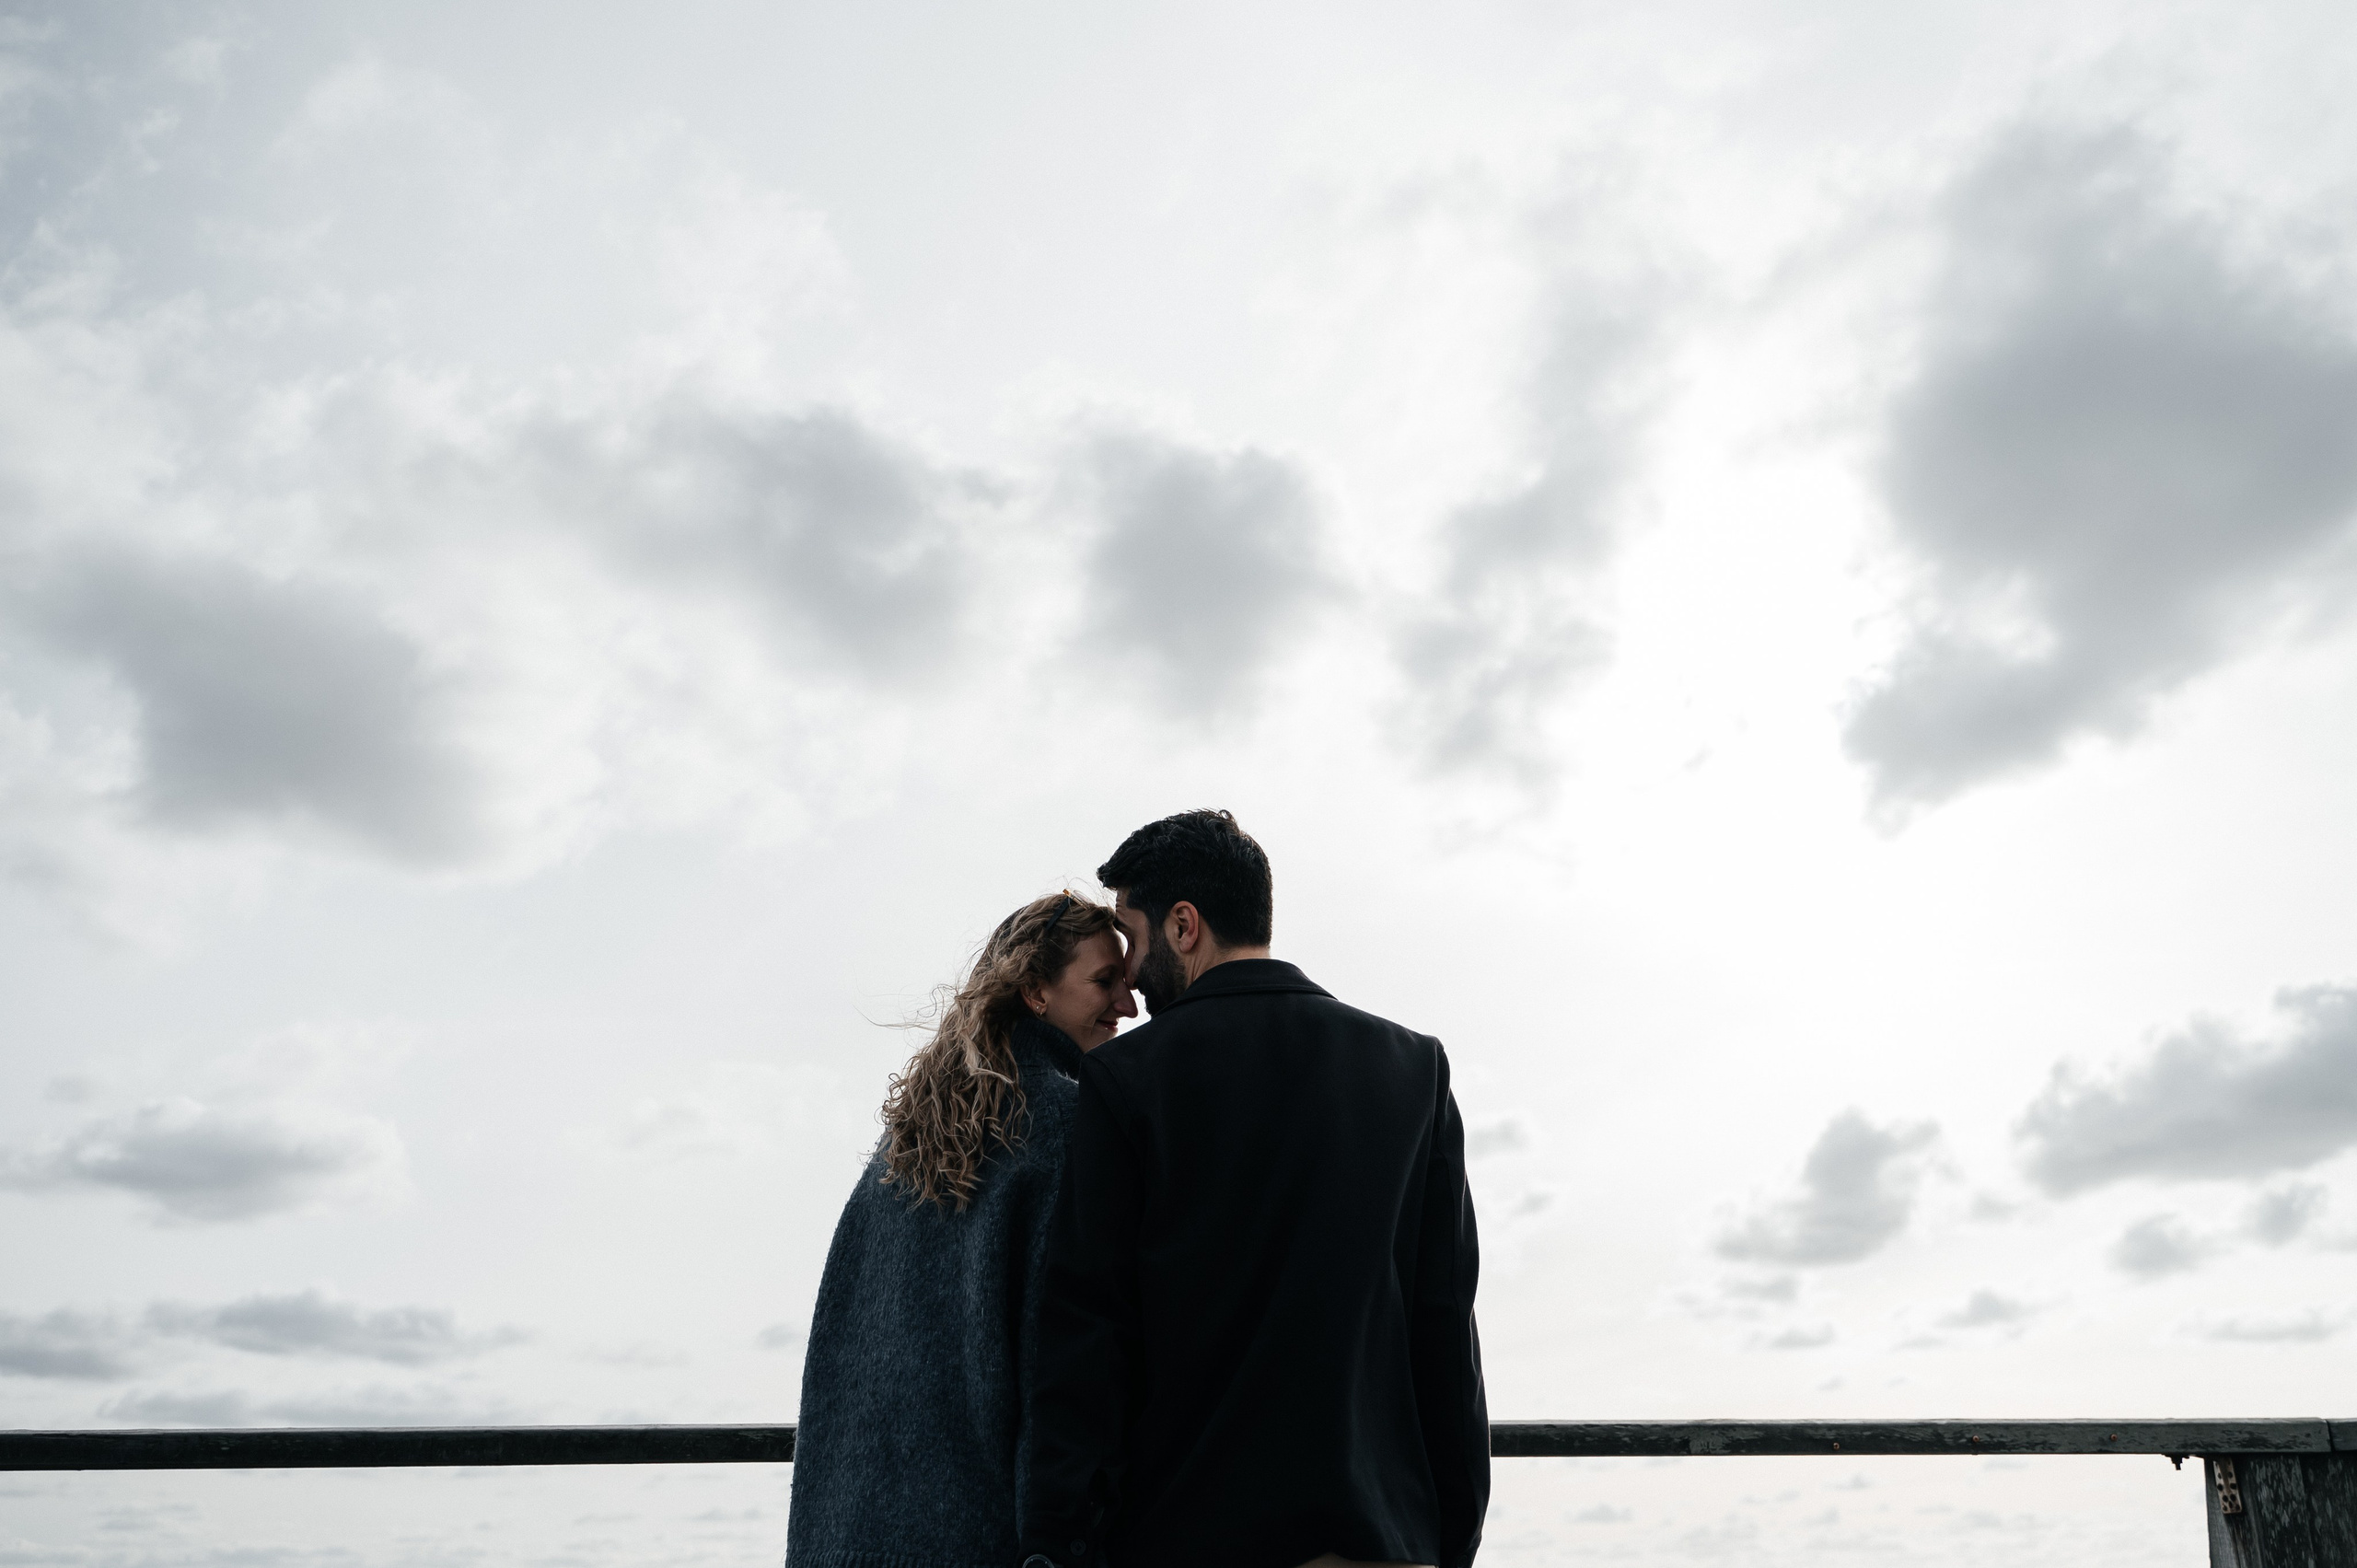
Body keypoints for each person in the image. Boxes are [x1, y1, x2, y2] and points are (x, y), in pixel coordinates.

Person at [1019, 810, 1489, 1568]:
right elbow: (1444, 1335)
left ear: (1183, 925)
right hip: (1381, 1539)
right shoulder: (1412, 1069)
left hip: (1191, 1538)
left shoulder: (1127, 1079)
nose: (1131, 981)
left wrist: (1058, 1546)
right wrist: (1450, 1536)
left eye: (1130, 939)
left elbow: (1089, 1338)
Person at [786, 892, 1137, 1568]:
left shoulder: (908, 1136)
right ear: (1036, 990)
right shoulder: (1066, 1124)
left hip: (847, 1534)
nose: (1128, 1003)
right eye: (1105, 981)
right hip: (974, 1537)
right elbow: (1063, 1369)